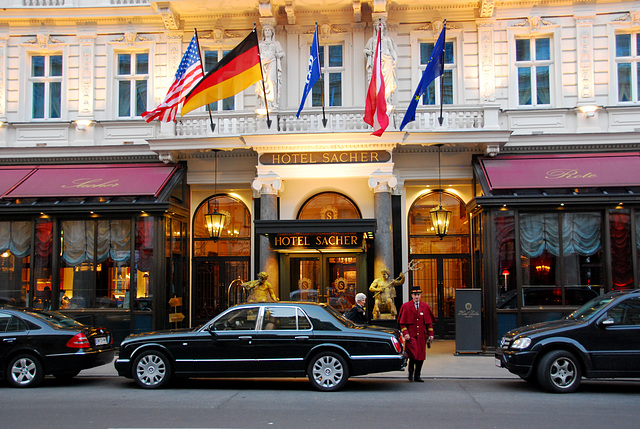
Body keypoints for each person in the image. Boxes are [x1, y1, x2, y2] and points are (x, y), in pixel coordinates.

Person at [397, 285, 435, 382]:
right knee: (413, 355)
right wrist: (405, 333)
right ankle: (411, 374)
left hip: (422, 336)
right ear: (411, 295)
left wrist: (431, 334)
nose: (417, 296)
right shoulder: (406, 306)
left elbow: (429, 322)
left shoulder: (425, 306)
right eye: (415, 294)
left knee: (421, 356)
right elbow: (402, 323)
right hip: (411, 336)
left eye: (418, 294)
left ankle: (417, 375)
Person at [364, 21, 397, 105]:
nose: (380, 27)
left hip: (387, 60)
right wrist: (368, 52)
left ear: (384, 27)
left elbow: (391, 50)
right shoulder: (372, 40)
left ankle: (386, 101)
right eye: (378, 25)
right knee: (376, 81)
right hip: (376, 62)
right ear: (375, 27)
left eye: (381, 25)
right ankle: (378, 100)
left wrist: (395, 59)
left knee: (387, 82)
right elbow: (366, 49)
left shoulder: (387, 39)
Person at [256, 23, 285, 110]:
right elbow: (257, 55)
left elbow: (282, 53)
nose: (267, 32)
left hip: (272, 63)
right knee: (263, 83)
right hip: (263, 63)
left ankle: (273, 103)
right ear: (263, 32)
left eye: (269, 30)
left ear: (272, 32)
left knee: (272, 82)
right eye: (266, 30)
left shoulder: (276, 43)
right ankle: (264, 104)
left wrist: (277, 55)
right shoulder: (261, 44)